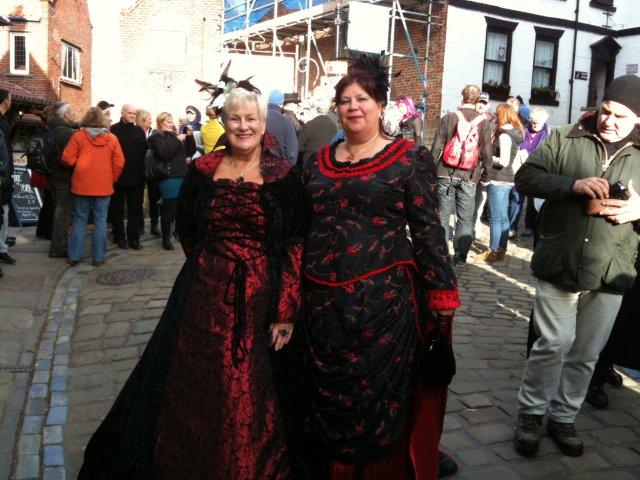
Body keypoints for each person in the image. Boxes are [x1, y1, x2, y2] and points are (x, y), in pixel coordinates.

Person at [77, 88, 308, 479]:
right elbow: (188, 228)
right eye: (235, 118)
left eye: (251, 119)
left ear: (264, 125)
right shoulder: (203, 171)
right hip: (202, 294)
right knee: (193, 384)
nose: (243, 126)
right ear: (223, 120)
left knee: (252, 388)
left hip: (261, 298)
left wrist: (285, 310)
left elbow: (294, 241)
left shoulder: (283, 176)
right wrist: (210, 266)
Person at [303, 53, 460, 479]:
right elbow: (302, 227)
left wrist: (441, 293)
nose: (353, 106)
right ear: (336, 108)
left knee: (377, 392)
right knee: (330, 392)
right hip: (322, 304)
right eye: (345, 100)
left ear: (380, 105)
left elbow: (428, 230)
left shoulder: (409, 159)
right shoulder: (315, 162)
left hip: (385, 304)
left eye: (363, 98)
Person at [513, 74, 640, 458]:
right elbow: (526, 177)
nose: (609, 121)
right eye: (605, 111)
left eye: (620, 116)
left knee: (586, 352)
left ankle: (564, 416)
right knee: (552, 343)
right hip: (560, 258)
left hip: (611, 267)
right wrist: (573, 185)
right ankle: (532, 413)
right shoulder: (568, 135)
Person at [431, 85, 493, 267]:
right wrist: (487, 174)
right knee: (465, 219)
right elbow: (487, 152)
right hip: (469, 176)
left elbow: (436, 147)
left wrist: (429, 170)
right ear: (477, 101)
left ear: (462, 98)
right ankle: (460, 257)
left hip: (445, 173)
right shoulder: (484, 123)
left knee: (442, 216)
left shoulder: (449, 117)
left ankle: (441, 255)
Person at [61, 107, 124, 266]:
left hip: (81, 185)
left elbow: (67, 159)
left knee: (79, 220)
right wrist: (111, 179)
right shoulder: (112, 139)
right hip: (103, 185)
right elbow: (120, 162)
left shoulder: (78, 136)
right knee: (100, 221)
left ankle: (75, 256)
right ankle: (98, 257)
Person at [476, 104, 524, 262]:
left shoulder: (505, 135)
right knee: (502, 216)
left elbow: (503, 160)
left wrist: (487, 158)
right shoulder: (513, 133)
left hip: (499, 178)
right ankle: (501, 249)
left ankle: (493, 250)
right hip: (507, 178)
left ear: (502, 116)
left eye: (497, 114)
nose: (495, 117)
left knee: (495, 217)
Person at [148, 112, 196, 250]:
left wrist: (190, 136)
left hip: (182, 174)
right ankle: (166, 239)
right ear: (161, 123)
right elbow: (164, 154)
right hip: (168, 177)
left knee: (179, 208)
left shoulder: (175, 136)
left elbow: (190, 151)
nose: (171, 123)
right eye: (168, 121)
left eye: (171, 120)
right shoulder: (156, 137)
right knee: (168, 209)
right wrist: (178, 140)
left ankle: (177, 233)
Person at [110, 104, 148, 250]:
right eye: (130, 113)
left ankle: (134, 238)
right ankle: (119, 237)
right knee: (118, 209)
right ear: (123, 113)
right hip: (118, 177)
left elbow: (144, 151)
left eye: (134, 113)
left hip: (137, 176)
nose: (133, 115)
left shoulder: (139, 130)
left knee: (135, 209)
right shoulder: (114, 130)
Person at [508, 107, 550, 238]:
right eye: (533, 122)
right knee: (516, 199)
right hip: (520, 170)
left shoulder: (547, 135)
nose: (534, 125)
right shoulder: (523, 130)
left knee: (532, 201)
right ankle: (511, 226)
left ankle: (529, 226)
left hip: (536, 172)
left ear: (543, 122)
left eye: (537, 123)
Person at [46, 102, 77, 258]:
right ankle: (58, 248)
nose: (72, 114)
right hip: (63, 177)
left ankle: (56, 245)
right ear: (65, 115)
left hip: (51, 175)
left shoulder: (49, 128)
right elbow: (70, 159)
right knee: (62, 214)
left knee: (57, 211)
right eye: (71, 112)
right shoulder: (66, 133)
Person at [136, 109, 160, 237]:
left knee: (154, 198)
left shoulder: (155, 133)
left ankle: (154, 225)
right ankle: (140, 225)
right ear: (142, 119)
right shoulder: (135, 132)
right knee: (138, 199)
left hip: (153, 171)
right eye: (148, 118)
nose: (151, 120)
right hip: (139, 170)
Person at [0, 89, 15, 266]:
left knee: (4, 214)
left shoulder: (4, 119)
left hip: (5, 176)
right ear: (4, 100)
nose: (11, 101)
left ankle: (2, 249)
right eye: (10, 98)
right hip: (2, 176)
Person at [266, 89, 299, 165]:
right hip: (278, 167)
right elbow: (292, 153)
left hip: (256, 168)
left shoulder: (258, 118)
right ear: (281, 104)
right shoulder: (286, 121)